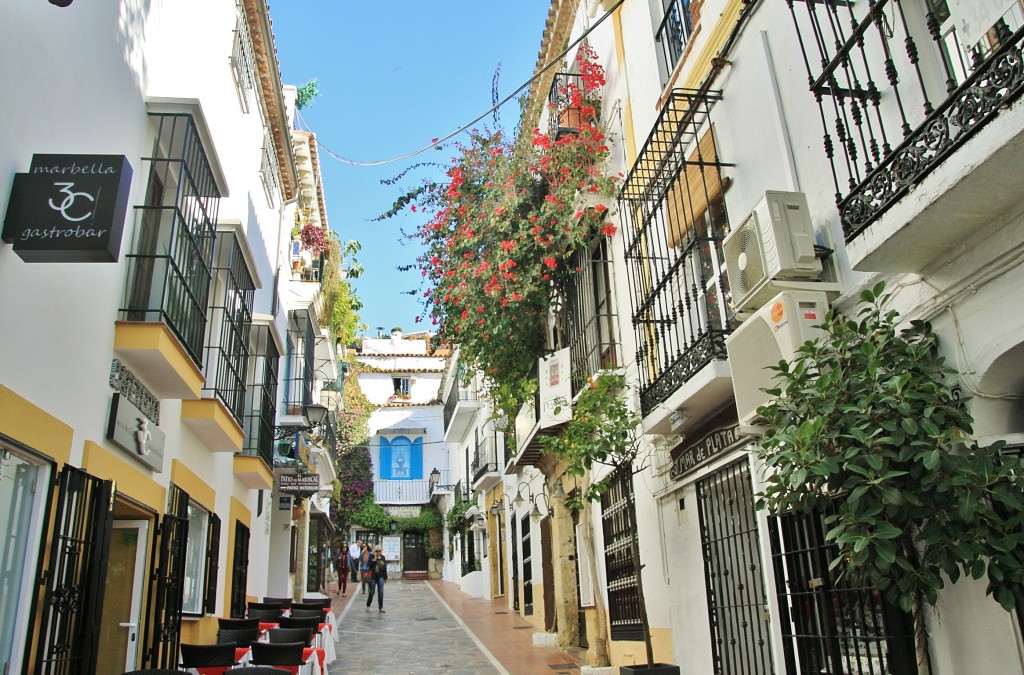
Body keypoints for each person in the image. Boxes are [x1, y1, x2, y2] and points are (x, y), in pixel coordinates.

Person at [365, 545, 388, 612]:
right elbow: (368, 565)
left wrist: (385, 577)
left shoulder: (383, 557)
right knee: (372, 592)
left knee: (380, 592)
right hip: (373, 576)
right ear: (374, 551)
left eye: (379, 551)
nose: (378, 552)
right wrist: (374, 559)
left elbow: (384, 567)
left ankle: (380, 607)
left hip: (381, 576)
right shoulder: (371, 556)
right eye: (377, 551)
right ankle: (368, 605)